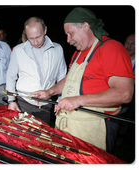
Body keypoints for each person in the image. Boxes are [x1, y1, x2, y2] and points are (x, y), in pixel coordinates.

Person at [32, 7, 134, 153]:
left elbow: (124, 94)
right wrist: (49, 92)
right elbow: (70, 79)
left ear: (86, 27)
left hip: (94, 127)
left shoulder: (112, 49)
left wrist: (78, 100)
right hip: (70, 125)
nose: (68, 39)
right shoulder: (78, 53)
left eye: (70, 33)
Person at [6, 17, 67, 125]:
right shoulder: (18, 50)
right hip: (23, 103)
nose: (35, 42)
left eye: (38, 37)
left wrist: (60, 100)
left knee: (42, 138)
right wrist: (11, 101)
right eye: (31, 38)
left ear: (45, 30)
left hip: (46, 105)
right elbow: (11, 76)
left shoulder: (57, 49)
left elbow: (62, 77)